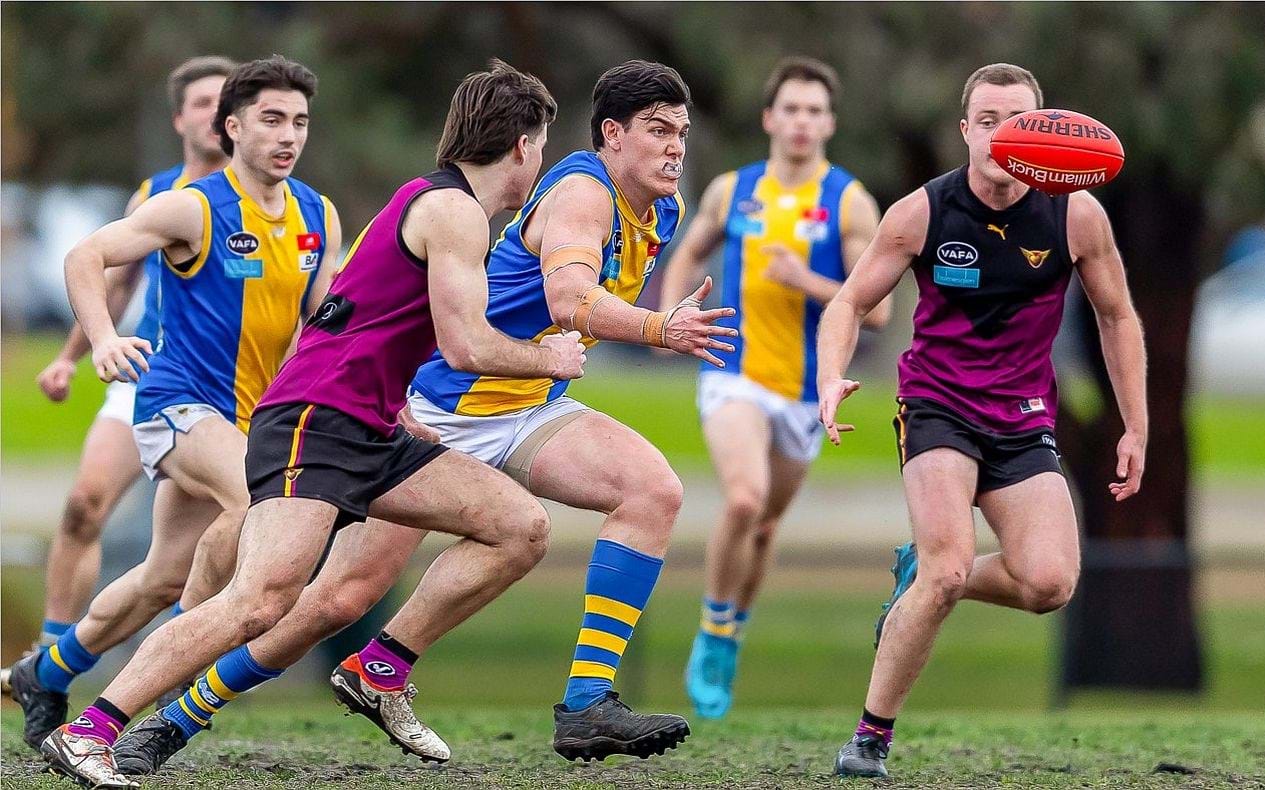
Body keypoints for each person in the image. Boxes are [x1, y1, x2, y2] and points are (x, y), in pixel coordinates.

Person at [109, 60, 734, 776]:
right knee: (334, 599)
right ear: (612, 135)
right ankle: (175, 718)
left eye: (682, 132)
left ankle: (577, 699)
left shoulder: (664, 209)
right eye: (658, 130)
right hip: (444, 405)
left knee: (651, 490)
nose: (675, 147)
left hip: (527, 404)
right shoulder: (581, 196)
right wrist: (660, 329)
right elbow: (569, 300)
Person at [41, 59, 584, 789]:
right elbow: (467, 347)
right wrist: (549, 357)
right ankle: (90, 730)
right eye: (542, 144)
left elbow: (355, 318)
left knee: (518, 526)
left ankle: (380, 671)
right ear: (523, 145)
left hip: (368, 428)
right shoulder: (451, 210)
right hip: (313, 425)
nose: (540, 160)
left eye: (299, 120)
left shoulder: (408, 210)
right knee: (257, 602)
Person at [816, 63, 1147, 778]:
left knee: (1049, 584)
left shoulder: (1076, 213)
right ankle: (870, 737)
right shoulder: (923, 212)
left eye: (1018, 121)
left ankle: (924, 578)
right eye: (988, 121)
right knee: (946, 568)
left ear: (1044, 132)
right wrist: (830, 373)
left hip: (1023, 418)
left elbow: (1117, 316)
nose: (1002, 135)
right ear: (966, 130)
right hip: (937, 405)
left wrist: (1135, 425)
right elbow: (845, 305)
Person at [19, 55, 340, 777]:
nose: (289, 135)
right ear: (231, 127)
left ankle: (47, 669)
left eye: (300, 121)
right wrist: (100, 341)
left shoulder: (318, 214)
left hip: (249, 419)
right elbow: (86, 255)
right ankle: (165, 671)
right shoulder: (192, 206)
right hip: (177, 403)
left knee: (162, 575)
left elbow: (325, 320)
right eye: (271, 120)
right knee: (259, 502)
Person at [659, 56, 891, 719]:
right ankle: (711, 627)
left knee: (761, 529)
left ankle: (731, 634)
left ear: (830, 123)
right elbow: (690, 250)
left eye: (815, 110)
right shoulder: (732, 190)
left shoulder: (849, 199)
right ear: (769, 118)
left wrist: (807, 282)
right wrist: (668, 318)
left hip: (801, 392)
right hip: (733, 375)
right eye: (790, 108)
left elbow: (877, 311)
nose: (801, 121)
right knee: (742, 497)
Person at [0, 56, 233, 688]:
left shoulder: (288, 208)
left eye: (227, 101)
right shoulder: (157, 197)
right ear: (179, 117)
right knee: (83, 507)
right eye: (204, 101)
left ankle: (179, 666)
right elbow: (111, 278)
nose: (216, 115)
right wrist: (71, 356)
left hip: (236, 396)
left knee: (186, 559)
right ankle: (47, 660)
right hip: (149, 378)